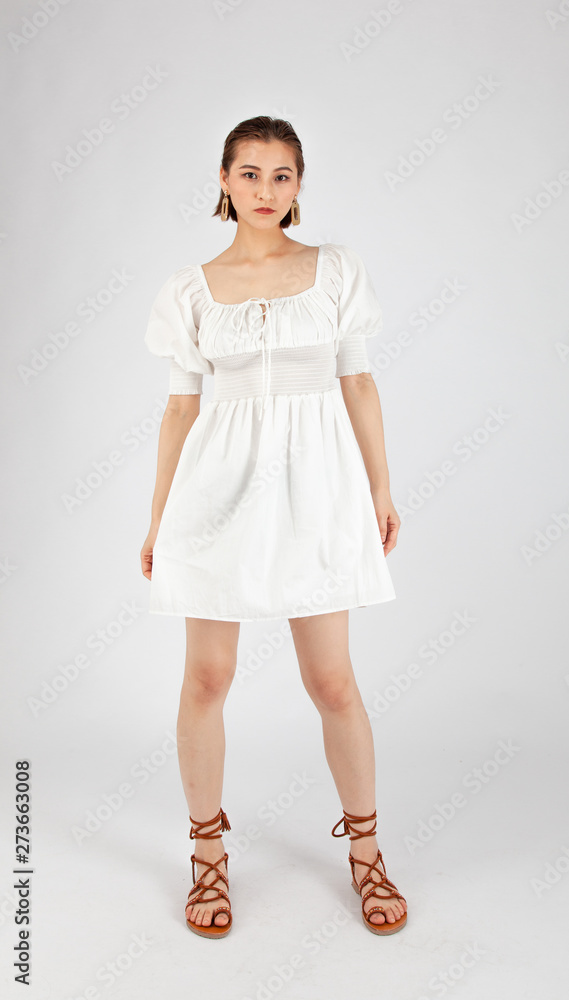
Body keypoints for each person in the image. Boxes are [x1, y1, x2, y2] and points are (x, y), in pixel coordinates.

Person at [140, 116, 407, 939]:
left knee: (332, 682)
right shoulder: (190, 290)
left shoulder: (334, 271)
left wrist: (380, 488)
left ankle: (366, 852)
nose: (265, 189)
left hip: (316, 490)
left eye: (281, 175)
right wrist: (157, 518)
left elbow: (357, 383)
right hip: (215, 494)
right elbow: (180, 409)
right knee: (206, 679)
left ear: (299, 185)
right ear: (223, 180)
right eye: (249, 173)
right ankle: (206, 856)